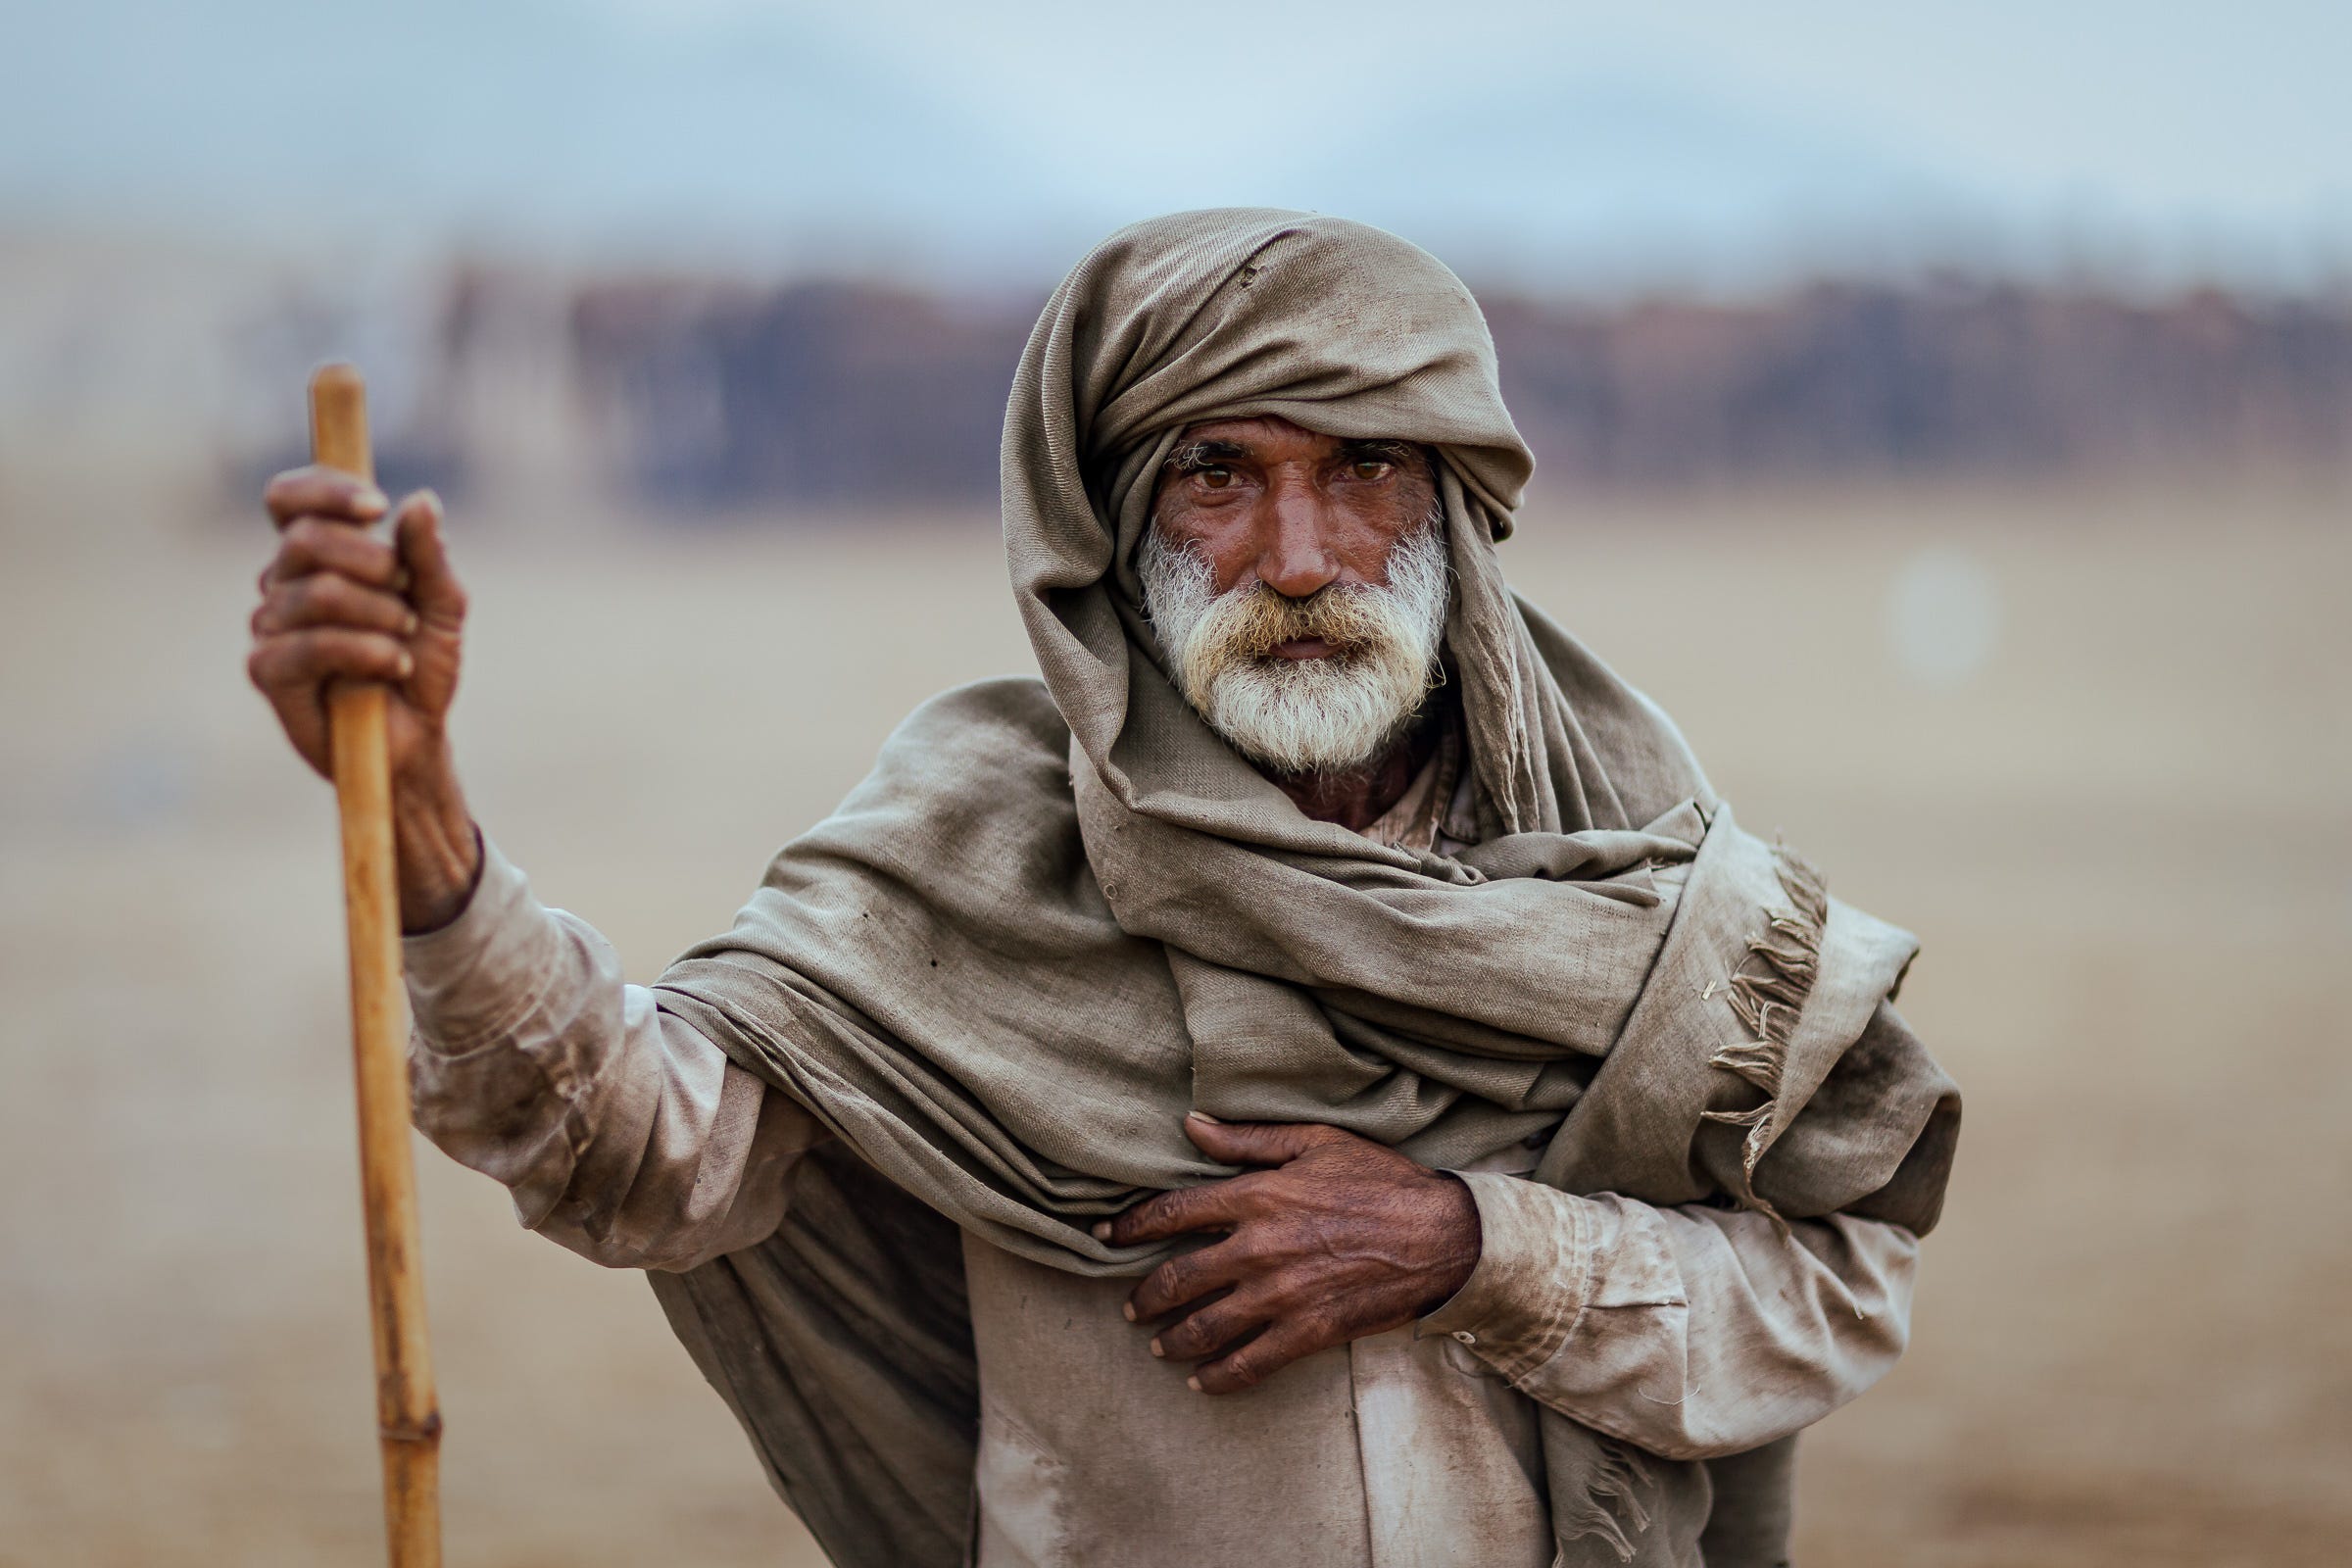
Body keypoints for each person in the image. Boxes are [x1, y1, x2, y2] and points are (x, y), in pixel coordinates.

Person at [247, 210, 1961, 1568]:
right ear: (1117, 540)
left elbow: (1833, 1289)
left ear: (1449, 506)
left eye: (1361, 469)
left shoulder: (1628, 832)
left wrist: (1466, 1247)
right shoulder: (973, 838)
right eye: (1219, 476)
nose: (1299, 558)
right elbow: (628, 1153)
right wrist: (422, 820)